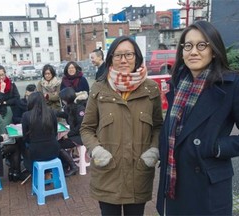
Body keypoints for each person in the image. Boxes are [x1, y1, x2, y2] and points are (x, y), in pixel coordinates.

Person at [156, 21, 239, 216]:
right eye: (188, 46)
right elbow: (172, 128)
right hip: (174, 182)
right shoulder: (177, 82)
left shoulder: (232, 85)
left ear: (213, 50)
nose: (193, 51)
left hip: (208, 185)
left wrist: (217, 147)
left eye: (201, 45)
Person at [80, 35, 163, 216]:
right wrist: (96, 150)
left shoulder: (151, 89)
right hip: (108, 174)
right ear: (111, 58)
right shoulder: (99, 88)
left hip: (138, 175)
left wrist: (154, 149)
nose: (123, 60)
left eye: (128, 54)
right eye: (118, 55)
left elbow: (158, 126)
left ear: (137, 57)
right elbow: (86, 128)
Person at [21, 92, 60, 173]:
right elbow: (55, 132)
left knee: (21, 146)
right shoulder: (51, 112)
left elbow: (25, 138)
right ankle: (47, 173)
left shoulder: (26, 115)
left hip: (36, 152)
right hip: (54, 150)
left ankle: (31, 171)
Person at [56, 87, 88, 177]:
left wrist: (68, 134)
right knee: (57, 142)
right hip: (74, 134)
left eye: (63, 99)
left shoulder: (80, 108)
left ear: (67, 99)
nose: (62, 101)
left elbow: (81, 126)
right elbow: (66, 115)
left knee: (57, 145)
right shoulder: (70, 106)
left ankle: (73, 167)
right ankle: (66, 164)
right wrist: (52, 112)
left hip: (80, 136)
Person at [0, 65, 20, 134]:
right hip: (0, 113)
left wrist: (5, 102)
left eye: (2, 74)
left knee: (13, 132)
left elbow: (17, 98)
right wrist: (2, 90)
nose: (1, 77)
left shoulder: (11, 84)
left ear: (5, 74)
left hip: (13, 111)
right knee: (3, 132)